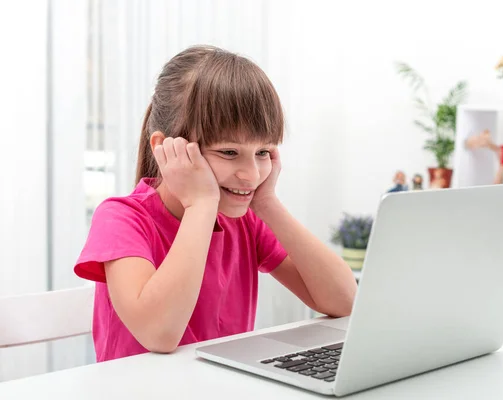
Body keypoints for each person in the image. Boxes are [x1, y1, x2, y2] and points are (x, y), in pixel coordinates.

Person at [74, 45, 358, 362]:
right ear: (166, 148)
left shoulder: (246, 221)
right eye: (229, 152)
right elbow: (158, 333)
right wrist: (199, 204)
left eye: (263, 152)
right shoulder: (121, 218)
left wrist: (268, 203)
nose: (251, 174)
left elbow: (345, 301)